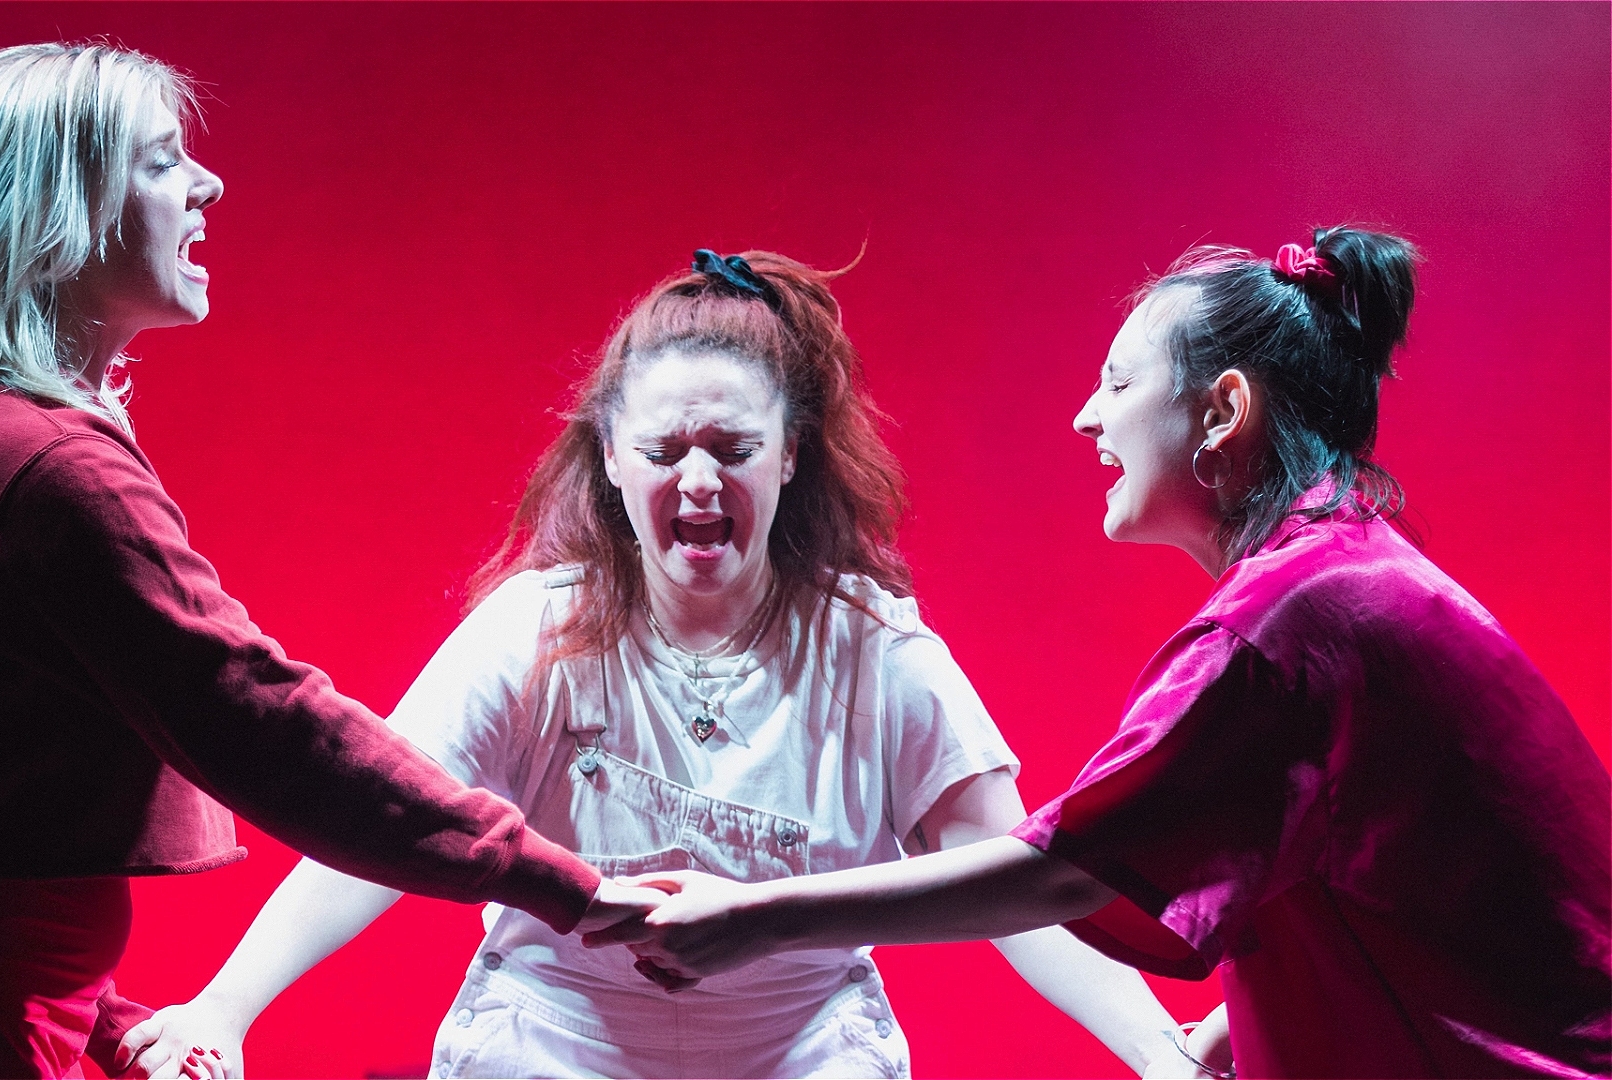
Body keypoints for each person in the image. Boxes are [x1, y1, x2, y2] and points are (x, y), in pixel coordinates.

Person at [0, 43, 655, 1080]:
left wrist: (97, 1019)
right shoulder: (42, 468)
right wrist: (568, 889)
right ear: (58, 212)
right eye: (164, 159)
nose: (206, 184)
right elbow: (260, 720)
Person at [118, 250, 1203, 1079]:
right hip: (554, 1045)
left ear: (789, 457)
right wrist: (224, 1009)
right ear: (607, 455)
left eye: (732, 452)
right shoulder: (535, 631)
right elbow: (381, 825)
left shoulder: (875, 651)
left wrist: (1157, 1051)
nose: (696, 480)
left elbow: (1010, 880)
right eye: (662, 450)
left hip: (803, 1049)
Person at [599, 229, 1612, 1078]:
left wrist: (756, 918)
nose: (1088, 416)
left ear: (1222, 411)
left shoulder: (1286, 624)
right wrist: (1228, 1029)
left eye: (1119, 381)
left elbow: (1064, 874)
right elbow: (1388, 873)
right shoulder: (1341, 580)